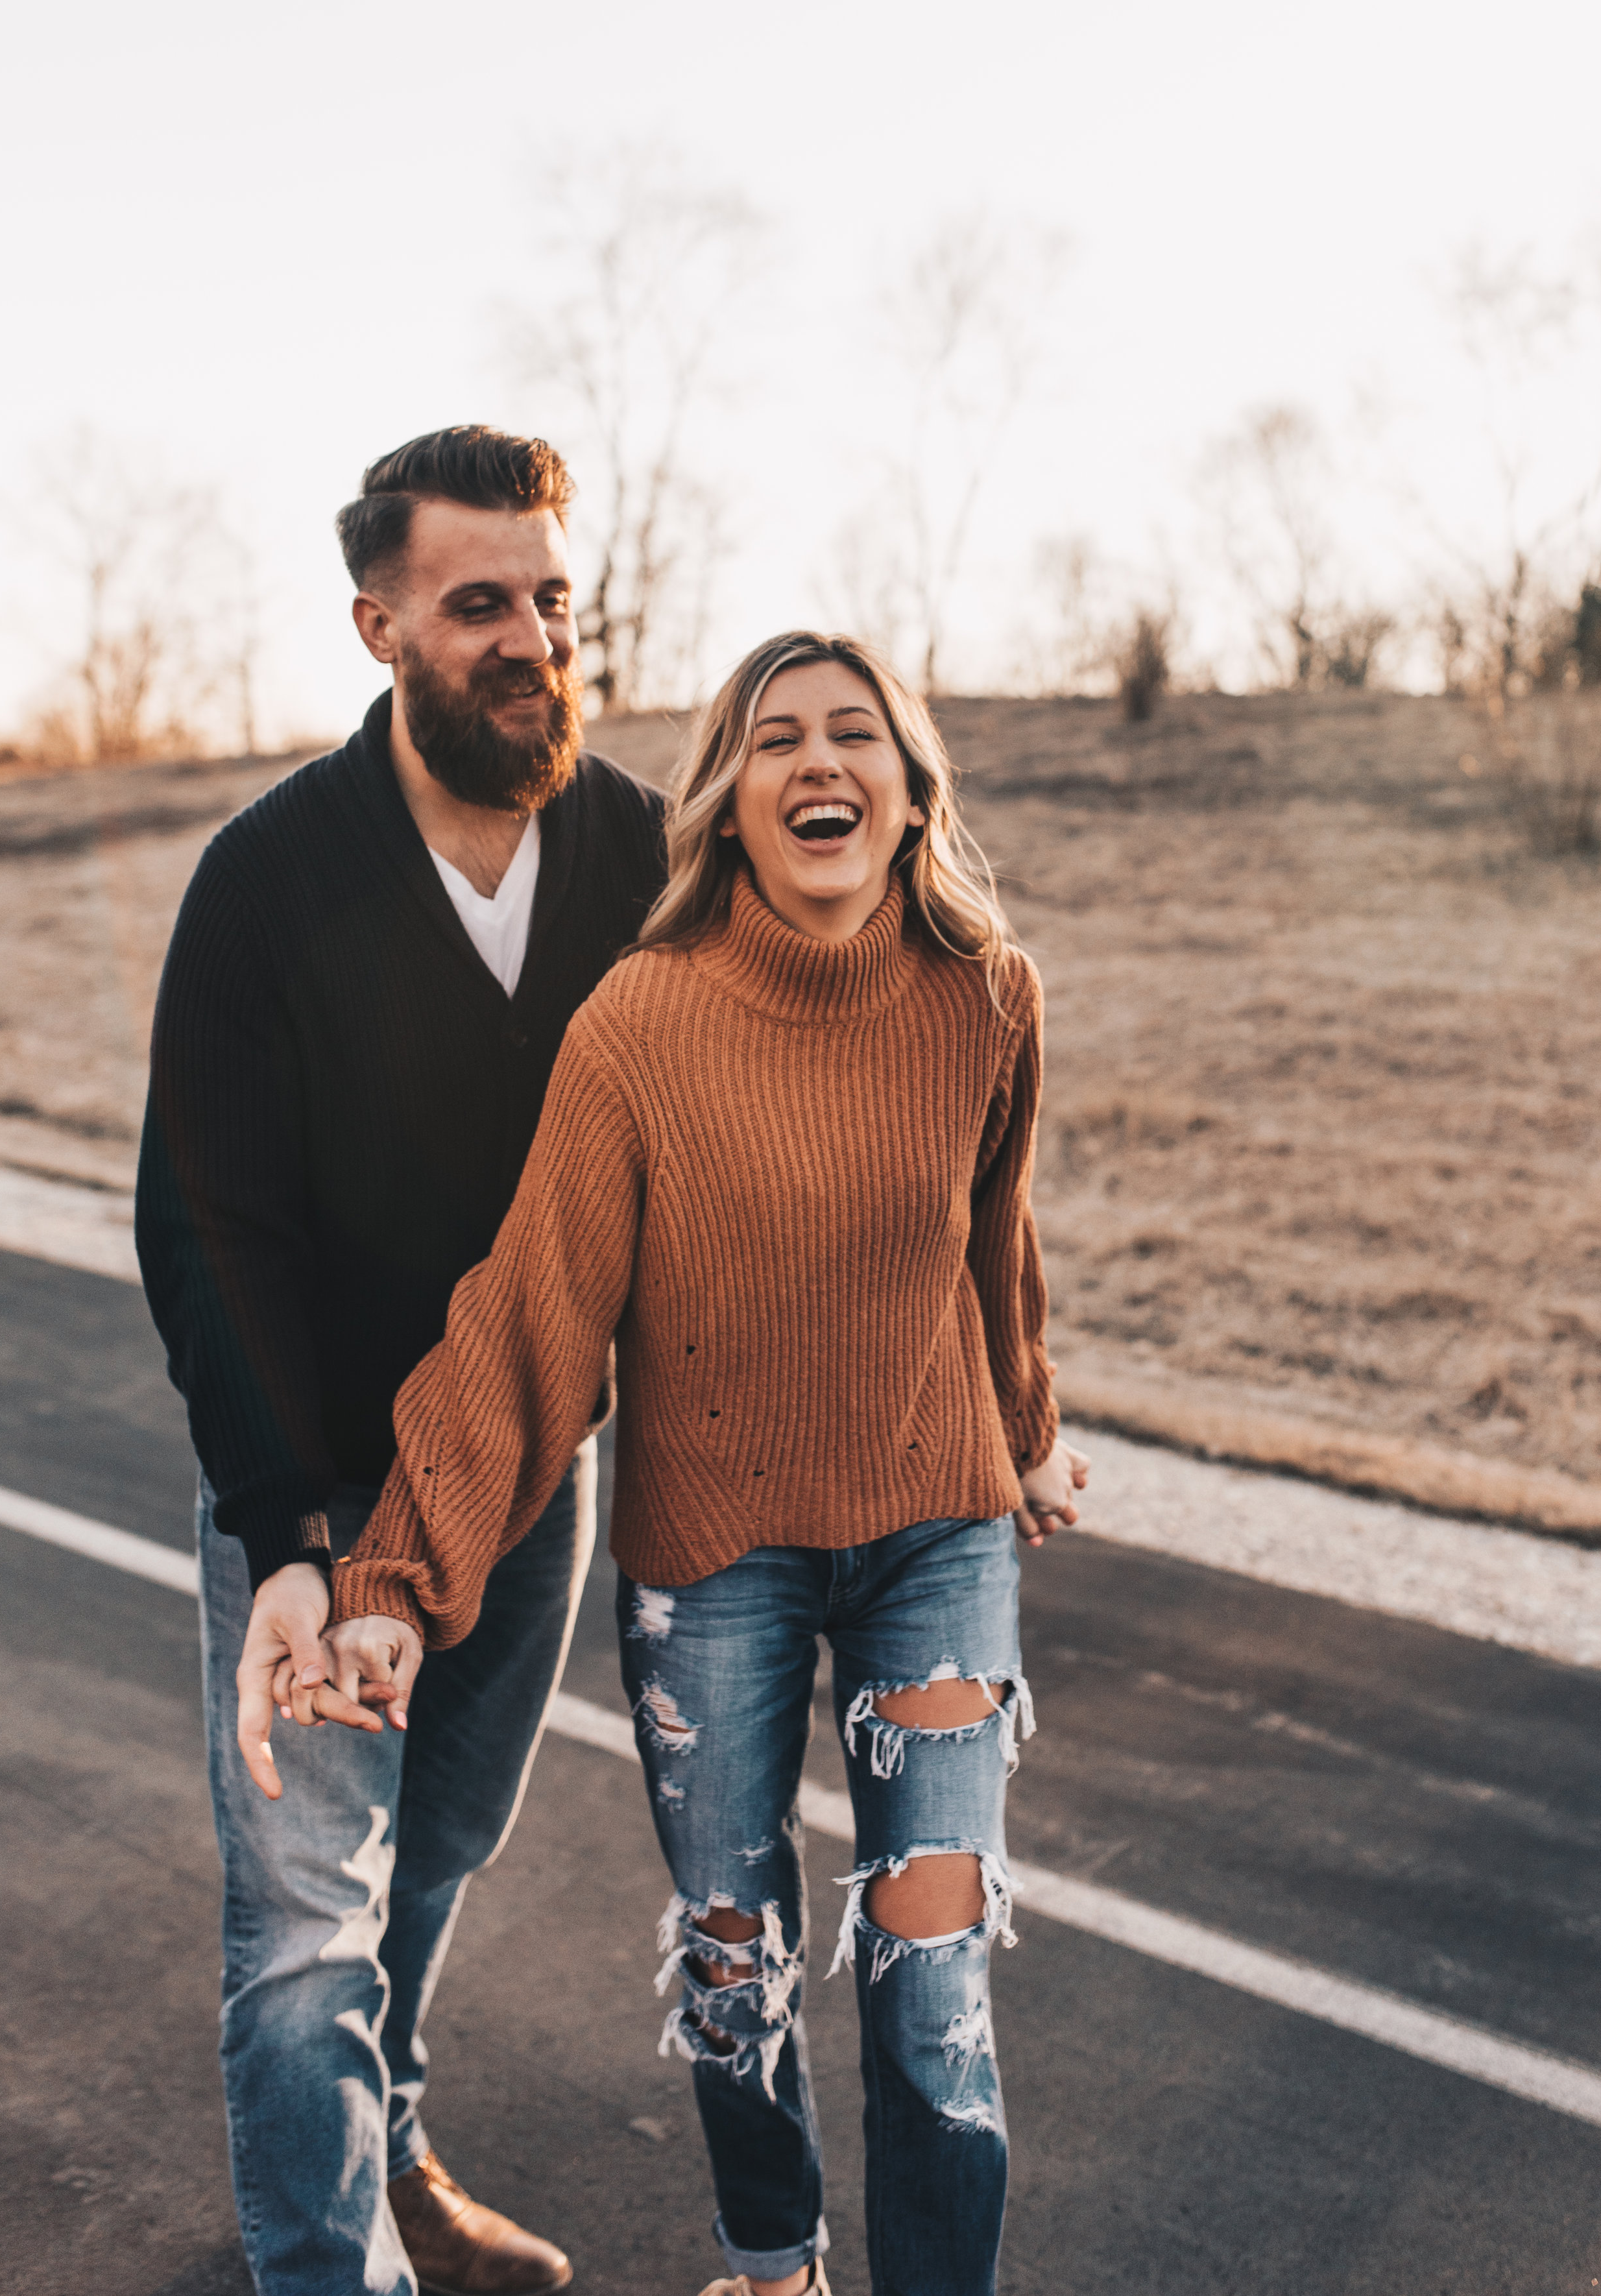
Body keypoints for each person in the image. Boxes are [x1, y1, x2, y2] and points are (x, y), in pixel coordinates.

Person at [313, 629, 1087, 2296]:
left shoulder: (985, 996)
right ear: (726, 804)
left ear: (907, 786)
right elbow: (529, 1314)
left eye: (853, 735)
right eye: (773, 740)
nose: (816, 763)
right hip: (712, 1553)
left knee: (929, 1975)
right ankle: (770, 2259)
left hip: (934, 1536)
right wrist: (394, 1574)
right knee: (736, 1972)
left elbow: (990, 1245)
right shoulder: (641, 1026)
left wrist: (1020, 1431)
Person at [136, 425, 667, 2296]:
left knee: (437, 1844)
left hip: (534, 1471)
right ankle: (324, 2257)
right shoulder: (266, 882)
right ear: (379, 624)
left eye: (549, 598)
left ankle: (389, 2145)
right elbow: (209, 1226)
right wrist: (287, 1526)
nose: (528, 637)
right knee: (304, 1915)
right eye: (476, 605)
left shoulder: (637, 855)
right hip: (325, 1480)